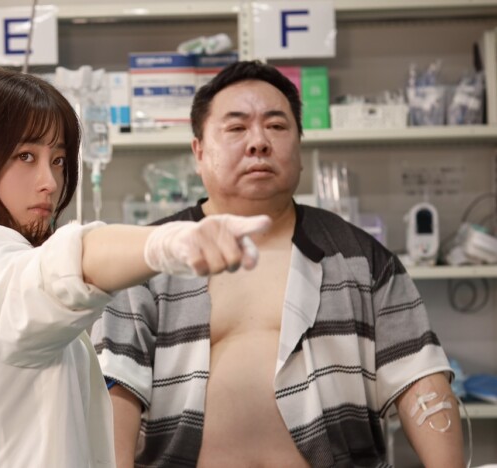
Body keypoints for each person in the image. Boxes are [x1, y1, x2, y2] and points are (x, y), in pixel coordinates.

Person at [0, 66, 272, 468]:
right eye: (25, 156)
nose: (50, 181)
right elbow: (59, 273)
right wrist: (164, 244)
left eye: (58, 160)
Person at [91, 60, 465, 468]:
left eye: (276, 126)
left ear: (299, 147)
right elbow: (115, 385)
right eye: (236, 127)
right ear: (198, 152)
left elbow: (418, 376)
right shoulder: (151, 259)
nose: (258, 142)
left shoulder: (360, 257)